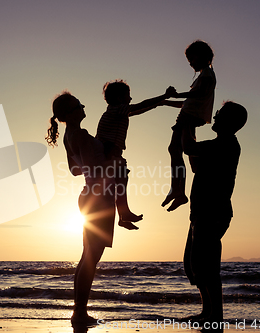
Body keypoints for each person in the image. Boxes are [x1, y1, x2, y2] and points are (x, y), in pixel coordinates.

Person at [46, 91, 115, 326]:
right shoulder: (81, 135)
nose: (84, 106)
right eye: (79, 104)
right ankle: (80, 313)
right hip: (98, 196)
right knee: (91, 257)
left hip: (88, 195)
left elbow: (75, 170)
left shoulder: (70, 135)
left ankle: (79, 311)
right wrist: (111, 160)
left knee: (87, 256)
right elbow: (93, 170)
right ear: (71, 112)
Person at [180, 101, 247, 326]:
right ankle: (207, 312)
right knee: (195, 265)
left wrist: (187, 123)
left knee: (206, 266)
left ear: (230, 122)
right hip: (201, 211)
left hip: (213, 212)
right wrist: (189, 130)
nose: (215, 117)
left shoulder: (226, 144)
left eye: (219, 114)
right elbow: (195, 165)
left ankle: (215, 316)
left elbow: (189, 148)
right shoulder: (219, 144)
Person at [97, 80, 176, 230]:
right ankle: (123, 214)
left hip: (112, 153)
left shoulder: (116, 111)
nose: (131, 99)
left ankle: (123, 215)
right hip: (110, 153)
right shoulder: (116, 110)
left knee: (121, 181)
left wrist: (160, 103)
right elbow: (140, 106)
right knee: (119, 182)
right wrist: (163, 97)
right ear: (120, 98)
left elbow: (138, 110)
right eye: (128, 96)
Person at [161, 40, 217, 211]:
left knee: (177, 149)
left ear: (203, 56)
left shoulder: (207, 74)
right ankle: (177, 190)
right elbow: (188, 102)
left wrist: (177, 95)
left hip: (189, 117)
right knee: (175, 150)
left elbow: (200, 94)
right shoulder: (204, 75)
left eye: (192, 59)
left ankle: (177, 190)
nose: (191, 63)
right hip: (187, 115)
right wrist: (166, 102)